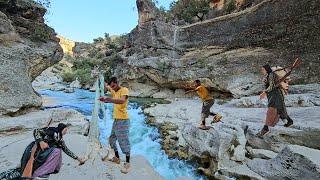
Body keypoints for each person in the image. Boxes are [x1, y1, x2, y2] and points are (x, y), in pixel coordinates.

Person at [0, 123, 86, 179]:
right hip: (35, 151)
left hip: (44, 154)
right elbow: (36, 131)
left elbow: (66, 149)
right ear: (62, 129)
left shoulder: (59, 139)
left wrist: (77, 158)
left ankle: (41, 172)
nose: (66, 131)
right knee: (23, 171)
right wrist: (40, 141)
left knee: (57, 150)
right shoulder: (51, 131)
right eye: (66, 129)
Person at [99, 77, 131, 174]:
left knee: (123, 141)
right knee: (111, 139)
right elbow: (106, 86)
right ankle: (117, 158)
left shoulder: (124, 90)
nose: (112, 87)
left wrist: (108, 99)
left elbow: (121, 101)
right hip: (117, 120)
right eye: (111, 86)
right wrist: (99, 77)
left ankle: (127, 163)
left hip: (124, 120)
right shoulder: (114, 91)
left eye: (114, 85)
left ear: (117, 83)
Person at [257, 64, 294, 137]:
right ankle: (289, 121)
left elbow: (271, 86)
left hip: (275, 95)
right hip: (273, 95)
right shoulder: (268, 75)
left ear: (266, 69)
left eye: (263, 69)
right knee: (280, 110)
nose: (262, 71)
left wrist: (264, 93)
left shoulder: (271, 75)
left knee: (271, 111)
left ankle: (265, 128)